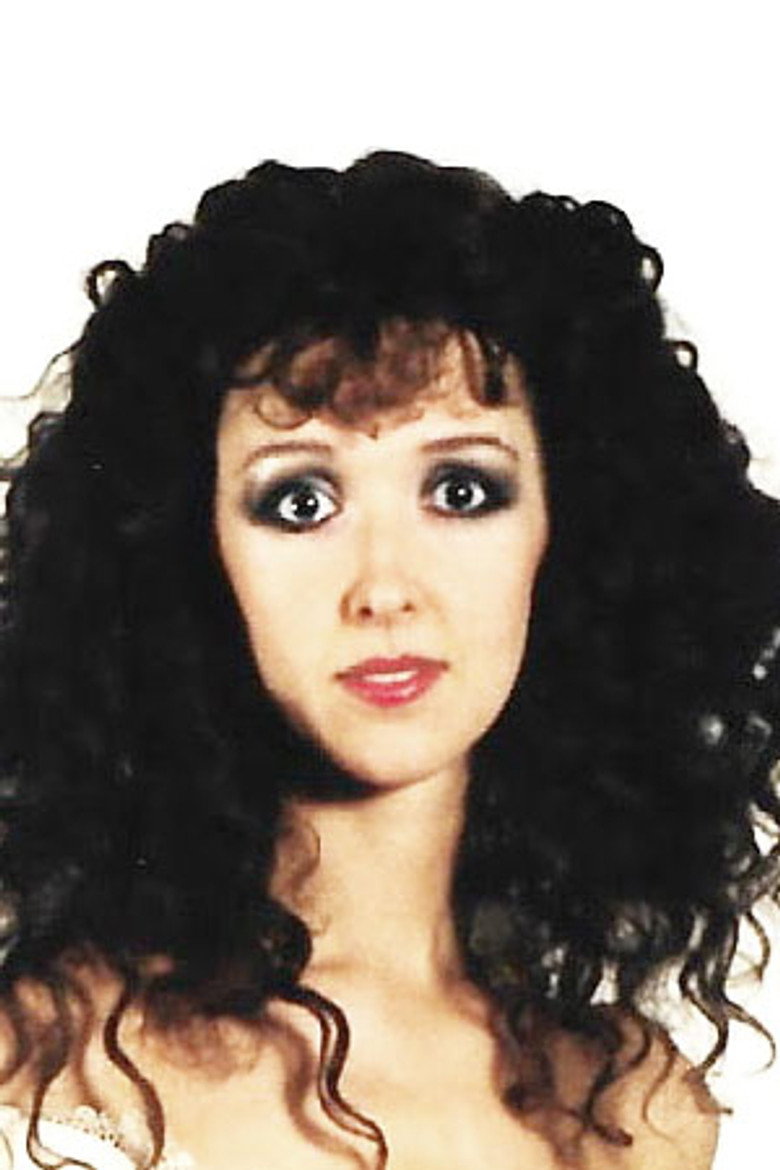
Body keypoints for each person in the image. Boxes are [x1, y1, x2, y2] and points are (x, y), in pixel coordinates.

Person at [0, 151, 779, 1170]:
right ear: (192, 553)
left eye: (461, 491)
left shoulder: (632, 1113)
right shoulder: (48, 1062)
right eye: (299, 503)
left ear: (570, 533)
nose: (384, 587)